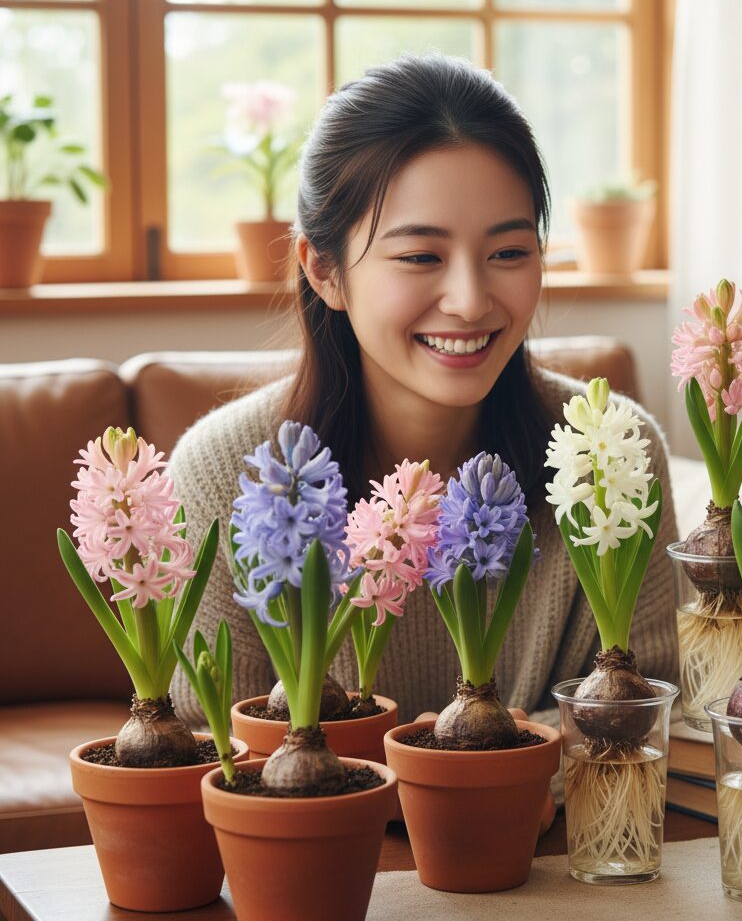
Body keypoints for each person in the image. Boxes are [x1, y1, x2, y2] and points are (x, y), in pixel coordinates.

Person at [168, 54, 679, 730]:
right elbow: (216, 743)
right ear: (324, 269)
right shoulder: (223, 470)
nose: (470, 302)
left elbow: (652, 716)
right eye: (420, 256)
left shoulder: (609, 449)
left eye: (508, 253)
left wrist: (533, 783)